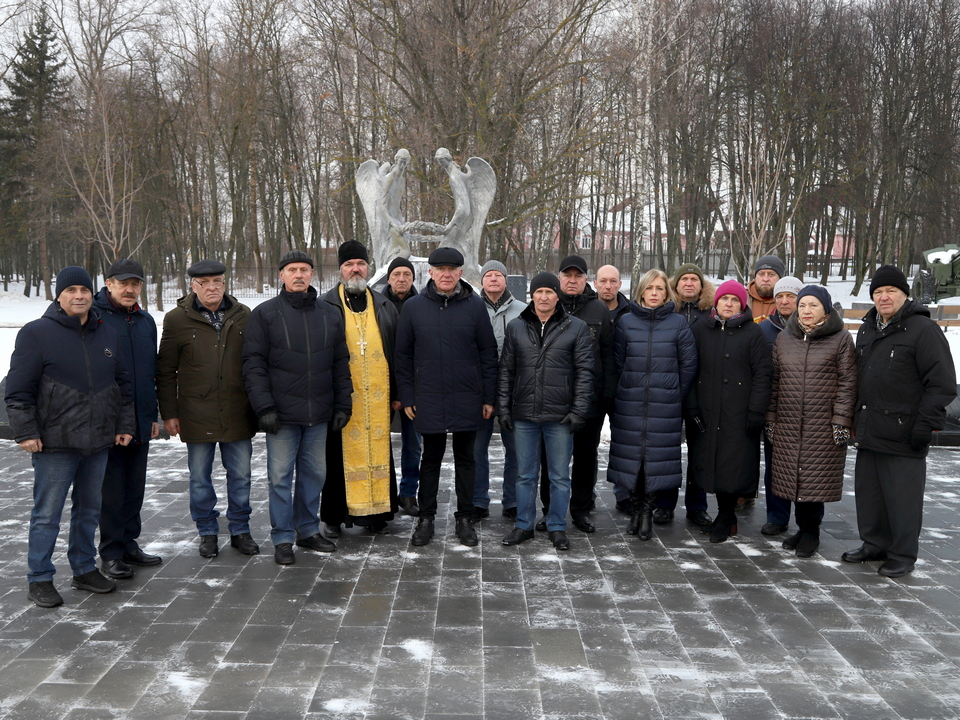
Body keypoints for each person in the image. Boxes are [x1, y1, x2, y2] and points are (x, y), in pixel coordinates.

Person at [6, 266, 135, 607]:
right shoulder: (36, 333)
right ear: (59, 295)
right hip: (54, 442)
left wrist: (124, 425)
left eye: (85, 289)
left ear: (93, 294)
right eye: (72, 290)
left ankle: (83, 568)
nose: (79, 295)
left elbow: (123, 386)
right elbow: (18, 391)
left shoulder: (107, 334)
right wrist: (26, 432)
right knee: (47, 513)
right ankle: (40, 577)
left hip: (98, 441)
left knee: (90, 509)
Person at [842, 265, 956, 578]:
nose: (884, 297)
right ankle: (874, 543)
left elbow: (942, 383)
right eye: (878, 292)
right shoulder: (867, 329)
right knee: (870, 494)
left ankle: (902, 553)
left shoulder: (922, 330)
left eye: (891, 291)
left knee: (901, 498)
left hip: (904, 430)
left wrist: (926, 424)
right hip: (869, 426)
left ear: (904, 294)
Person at [242, 250, 353, 564]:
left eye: (304, 269)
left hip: (319, 413)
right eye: (292, 270)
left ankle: (307, 529)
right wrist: (264, 407)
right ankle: (282, 538)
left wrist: (344, 403)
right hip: (282, 415)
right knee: (279, 477)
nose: (299, 275)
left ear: (312, 274)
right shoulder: (264, 314)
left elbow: (340, 362)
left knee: (315, 474)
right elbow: (254, 365)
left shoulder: (329, 313)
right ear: (282, 275)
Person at [394, 247, 499, 547]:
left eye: (452, 269)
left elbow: (488, 354)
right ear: (430, 272)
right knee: (431, 459)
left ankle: (465, 518)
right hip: (428, 396)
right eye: (440, 269)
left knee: (467, 459)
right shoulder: (414, 308)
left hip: (468, 395)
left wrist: (487, 396)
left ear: (461, 273)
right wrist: (408, 396)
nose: (446, 274)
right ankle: (426, 518)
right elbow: (403, 357)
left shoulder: (475, 307)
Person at [156, 259, 259, 559]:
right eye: (204, 283)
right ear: (193, 286)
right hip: (194, 412)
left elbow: (254, 363)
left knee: (241, 475)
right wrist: (169, 413)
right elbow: (165, 371)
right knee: (200, 477)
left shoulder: (243, 316)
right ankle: (208, 532)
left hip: (237, 409)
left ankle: (240, 529)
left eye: (217, 282)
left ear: (225, 284)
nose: (212, 287)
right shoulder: (176, 320)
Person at [498, 272, 595, 550]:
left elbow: (585, 373)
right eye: (538, 292)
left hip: (560, 417)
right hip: (524, 415)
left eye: (549, 292)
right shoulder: (516, 327)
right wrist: (504, 407)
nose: (543, 297)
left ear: (557, 296)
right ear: (531, 295)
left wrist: (578, 411)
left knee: (559, 476)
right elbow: (506, 370)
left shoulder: (575, 327)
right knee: (525, 474)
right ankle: (524, 525)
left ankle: (556, 526)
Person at [765, 285, 857, 557]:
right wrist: (771, 417)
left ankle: (811, 531)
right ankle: (801, 528)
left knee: (814, 480)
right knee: (792, 478)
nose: (806, 311)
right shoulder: (785, 338)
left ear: (825, 310)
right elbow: (775, 381)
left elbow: (848, 383)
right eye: (802, 305)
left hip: (822, 424)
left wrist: (840, 421)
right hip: (789, 422)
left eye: (813, 305)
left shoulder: (840, 339)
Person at [608, 269, 698, 541]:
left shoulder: (677, 323)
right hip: (631, 404)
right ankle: (635, 508)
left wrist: (673, 394)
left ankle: (647, 511)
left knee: (655, 462)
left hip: (664, 404)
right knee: (632, 460)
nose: (655, 293)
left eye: (660, 288)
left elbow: (689, 364)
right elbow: (619, 361)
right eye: (650, 288)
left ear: (667, 292)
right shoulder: (626, 322)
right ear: (642, 292)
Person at [320, 240, 399, 538]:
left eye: (361, 264)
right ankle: (334, 517)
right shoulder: (326, 304)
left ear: (368, 268)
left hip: (378, 398)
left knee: (378, 452)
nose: (356, 269)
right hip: (342, 396)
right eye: (349, 265)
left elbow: (397, 352)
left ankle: (376, 513)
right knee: (336, 456)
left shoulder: (384, 305)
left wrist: (398, 393)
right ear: (341, 269)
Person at [685, 280, 772, 542]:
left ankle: (726, 516)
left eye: (735, 300)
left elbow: (763, 375)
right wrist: (691, 405)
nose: (729, 304)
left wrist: (756, 412)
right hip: (708, 411)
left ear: (742, 305)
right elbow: (690, 368)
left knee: (733, 466)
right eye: (725, 299)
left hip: (739, 413)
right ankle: (722, 515)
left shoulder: (752, 334)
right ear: (716, 302)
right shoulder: (702, 329)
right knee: (708, 462)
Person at [94, 259, 162, 581]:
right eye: (123, 283)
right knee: (112, 490)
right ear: (109, 284)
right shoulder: (94, 319)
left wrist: (151, 415)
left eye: (136, 283)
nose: (130, 289)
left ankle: (129, 543)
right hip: (107, 420)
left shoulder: (146, 320)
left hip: (140, 418)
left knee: (135, 486)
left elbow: (150, 373)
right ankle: (110, 552)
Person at [537, 255, 615, 533]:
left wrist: (605, 397)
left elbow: (608, 356)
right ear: (559, 279)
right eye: (567, 275)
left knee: (585, 458)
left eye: (578, 276)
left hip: (589, 402)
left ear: (586, 280)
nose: (572, 280)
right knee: (550, 460)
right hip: (554, 400)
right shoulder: (546, 307)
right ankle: (550, 510)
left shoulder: (599, 310)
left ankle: (581, 510)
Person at [653, 262, 716, 526]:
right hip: (669, 392)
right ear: (675, 285)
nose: (689, 283)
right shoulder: (666, 313)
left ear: (702, 285)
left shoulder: (710, 315)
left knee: (699, 452)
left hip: (702, 395)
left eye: (694, 279)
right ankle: (664, 504)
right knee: (667, 451)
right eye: (684, 279)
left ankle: (697, 505)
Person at [474, 259, 524, 519]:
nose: (493, 279)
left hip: (513, 393)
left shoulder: (523, 311)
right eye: (488, 275)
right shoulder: (470, 308)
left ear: (506, 280)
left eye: (498, 275)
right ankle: (478, 500)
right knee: (476, 449)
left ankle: (513, 500)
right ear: (482, 281)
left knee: (515, 449)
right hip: (478, 391)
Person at [756, 276, 803, 536]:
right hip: (775, 409)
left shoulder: (811, 328)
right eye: (780, 296)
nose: (785, 301)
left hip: (808, 410)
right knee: (775, 465)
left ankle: (807, 520)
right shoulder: (764, 330)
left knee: (805, 466)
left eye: (791, 296)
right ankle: (777, 515)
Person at [383, 256, 421, 516]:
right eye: (396, 274)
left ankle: (408, 493)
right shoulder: (377, 305)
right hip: (381, 387)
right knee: (378, 443)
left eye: (407, 274)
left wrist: (407, 393)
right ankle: (383, 493)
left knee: (413, 445)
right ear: (388, 278)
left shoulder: (422, 305)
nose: (401, 279)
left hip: (414, 389)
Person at [747, 255, 784, 322]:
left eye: (771, 274)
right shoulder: (742, 300)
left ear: (780, 278)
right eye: (761, 274)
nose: (765, 279)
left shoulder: (788, 301)